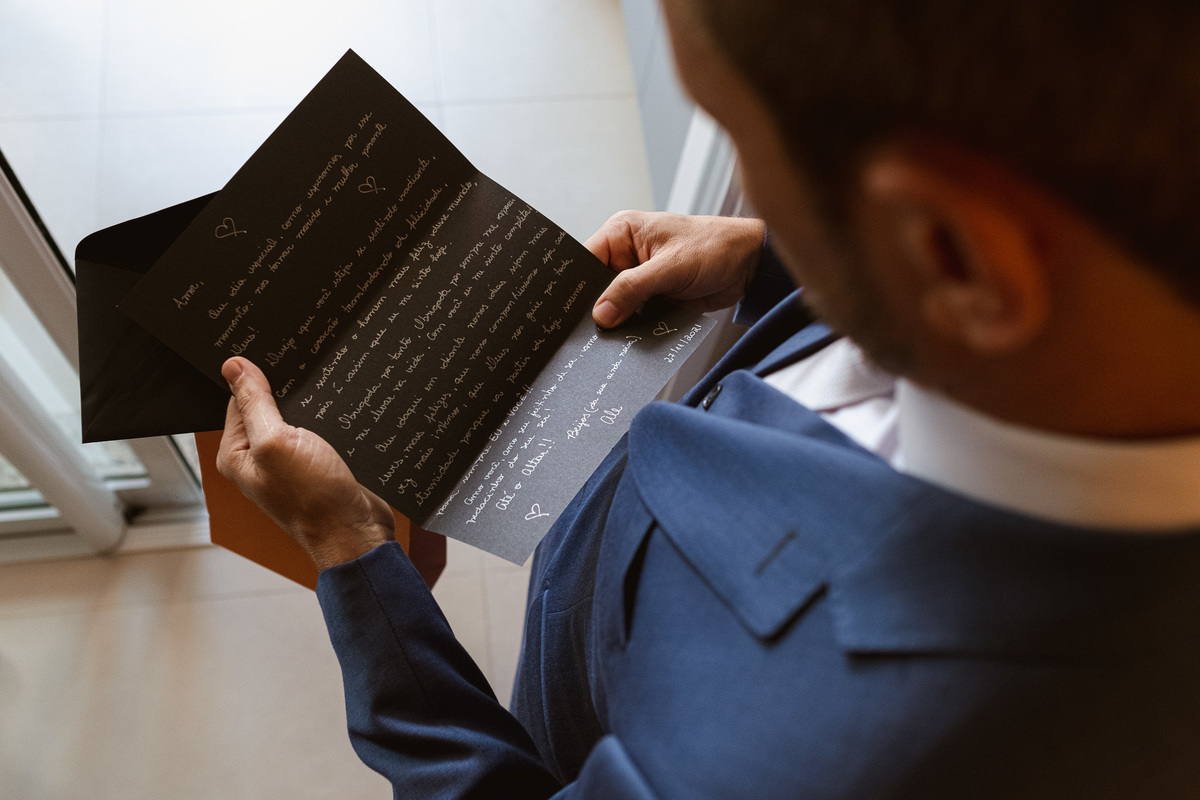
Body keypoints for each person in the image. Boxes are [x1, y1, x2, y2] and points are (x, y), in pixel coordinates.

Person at [217, 0, 1200, 796]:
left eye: (737, 134)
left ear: (944, 247)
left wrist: (354, 555)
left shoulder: (780, 761)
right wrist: (777, 258)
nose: (742, 191)